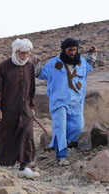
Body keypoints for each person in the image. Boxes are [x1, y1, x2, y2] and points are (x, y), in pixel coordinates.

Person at [35, 38, 97, 166]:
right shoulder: (54, 63)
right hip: (59, 102)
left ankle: (68, 145)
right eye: (70, 50)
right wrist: (36, 64)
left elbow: (90, 66)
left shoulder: (81, 62)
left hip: (76, 102)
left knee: (78, 126)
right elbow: (40, 74)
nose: (73, 52)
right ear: (64, 49)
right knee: (60, 127)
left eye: (75, 49)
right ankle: (61, 156)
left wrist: (91, 54)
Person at [0, 38, 39, 178]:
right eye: (21, 53)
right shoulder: (4, 66)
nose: (24, 56)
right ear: (15, 51)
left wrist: (31, 107)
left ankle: (23, 167)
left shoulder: (30, 67)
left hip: (25, 109)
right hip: (6, 109)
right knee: (2, 134)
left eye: (27, 53)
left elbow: (32, 89)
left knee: (27, 136)